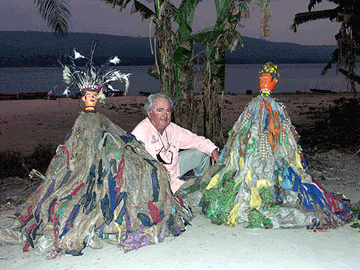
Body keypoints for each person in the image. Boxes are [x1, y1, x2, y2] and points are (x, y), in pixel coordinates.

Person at [16, 48, 192, 257]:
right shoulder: (131, 129)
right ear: (82, 98)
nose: (91, 99)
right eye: (87, 97)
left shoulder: (168, 129)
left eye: (94, 96)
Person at [200, 62, 353, 229]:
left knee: (272, 174)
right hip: (252, 150)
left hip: (270, 152)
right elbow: (241, 127)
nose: (262, 81)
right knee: (247, 172)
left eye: (266, 78)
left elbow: (285, 132)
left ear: (274, 82)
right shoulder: (255, 104)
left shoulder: (274, 106)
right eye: (261, 77)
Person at [132, 93, 220, 194]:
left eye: (168, 111)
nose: (165, 115)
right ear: (149, 112)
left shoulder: (171, 128)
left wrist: (213, 150)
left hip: (174, 168)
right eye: (160, 110)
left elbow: (195, 140)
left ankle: (205, 186)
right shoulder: (140, 133)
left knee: (202, 154)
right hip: (157, 180)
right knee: (191, 195)